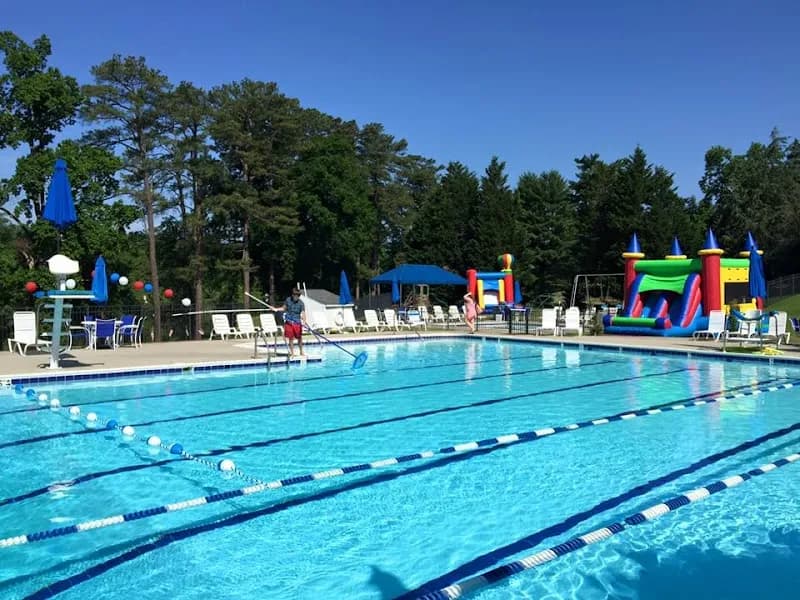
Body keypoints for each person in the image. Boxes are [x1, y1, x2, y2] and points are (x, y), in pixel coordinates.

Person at [268, 287, 307, 357]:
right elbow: (283, 308)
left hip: (297, 322)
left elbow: (303, 313)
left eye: (297, 295)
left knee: (299, 338)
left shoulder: (301, 303)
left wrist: (304, 321)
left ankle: (301, 351)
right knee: (290, 338)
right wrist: (276, 309)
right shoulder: (288, 300)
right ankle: (292, 353)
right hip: (289, 322)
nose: (296, 296)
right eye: (295, 295)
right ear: (292, 295)